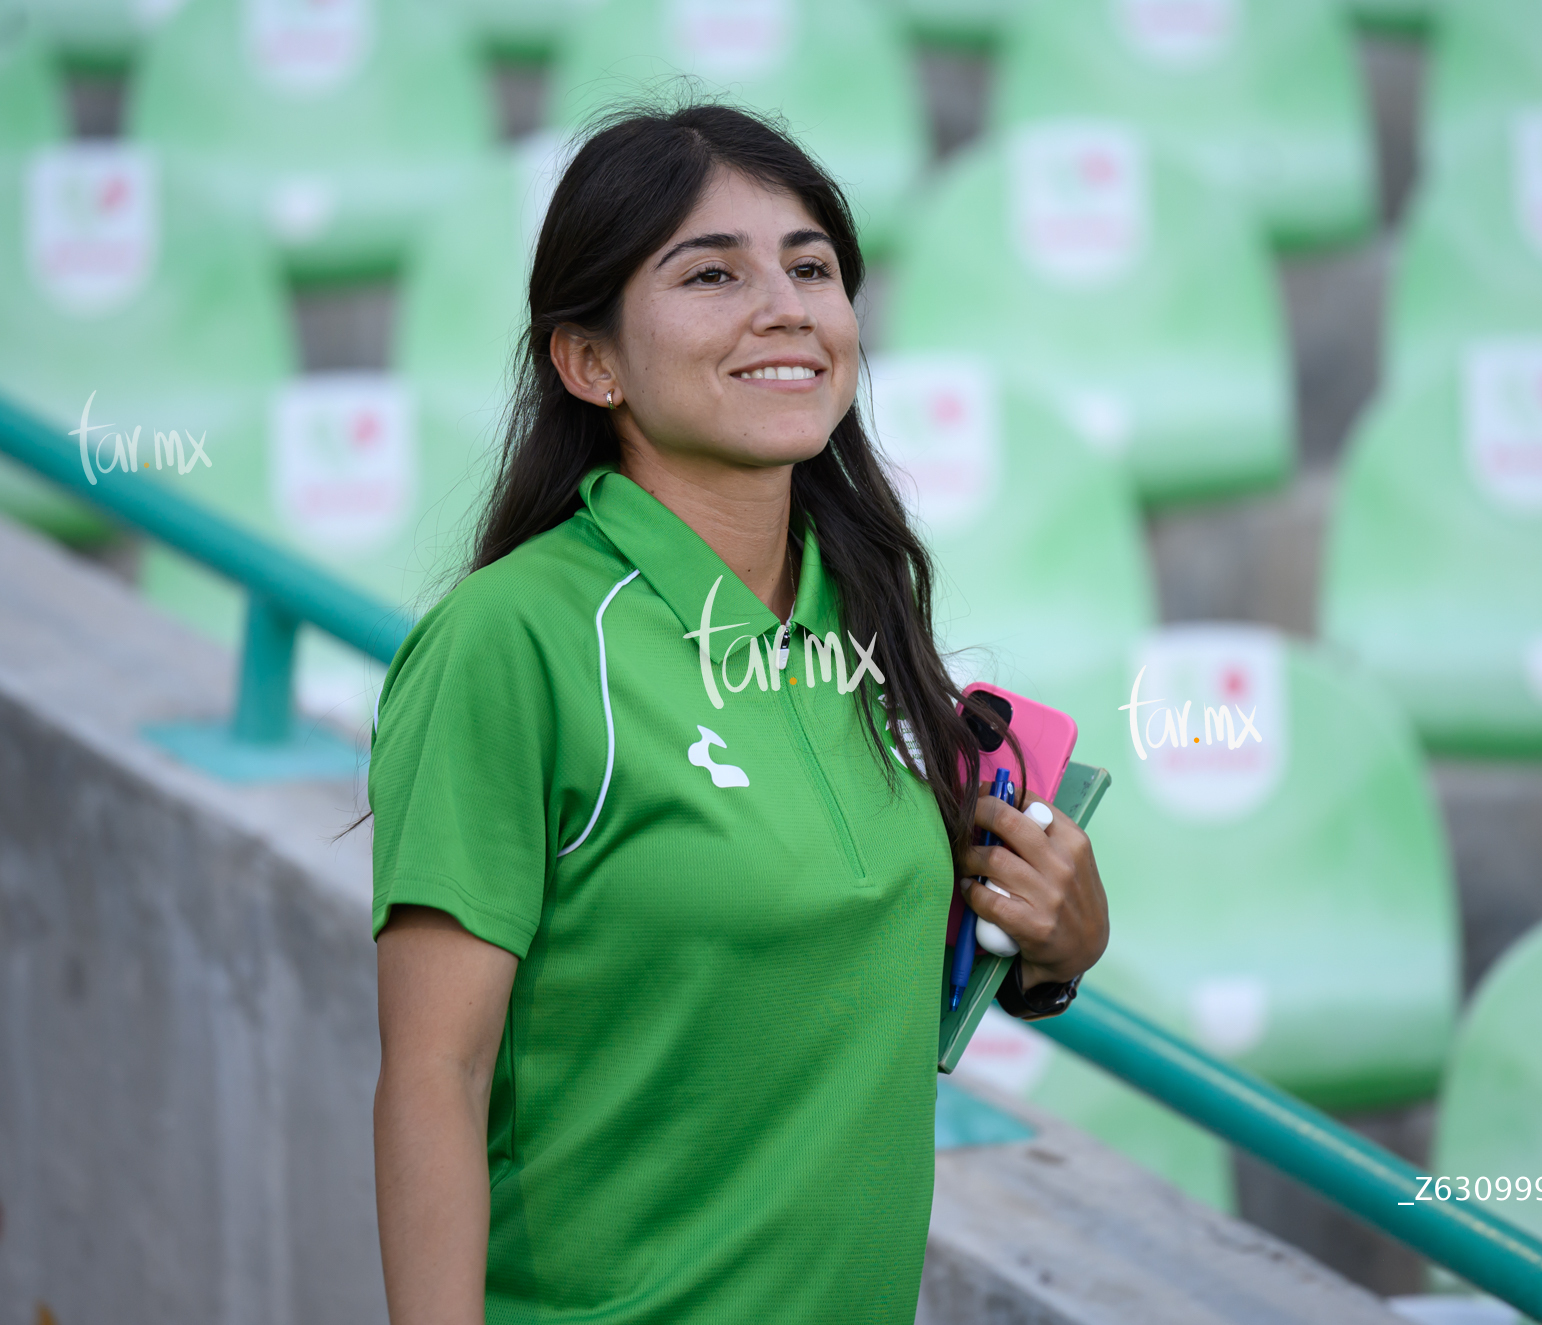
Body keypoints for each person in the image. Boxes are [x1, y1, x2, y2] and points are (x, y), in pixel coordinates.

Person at [367, 103, 1110, 1325]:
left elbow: (847, 998)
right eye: (711, 273)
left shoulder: (866, 623)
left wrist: (1052, 955)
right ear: (588, 361)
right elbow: (433, 1079)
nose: (785, 306)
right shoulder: (513, 641)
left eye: (810, 267)